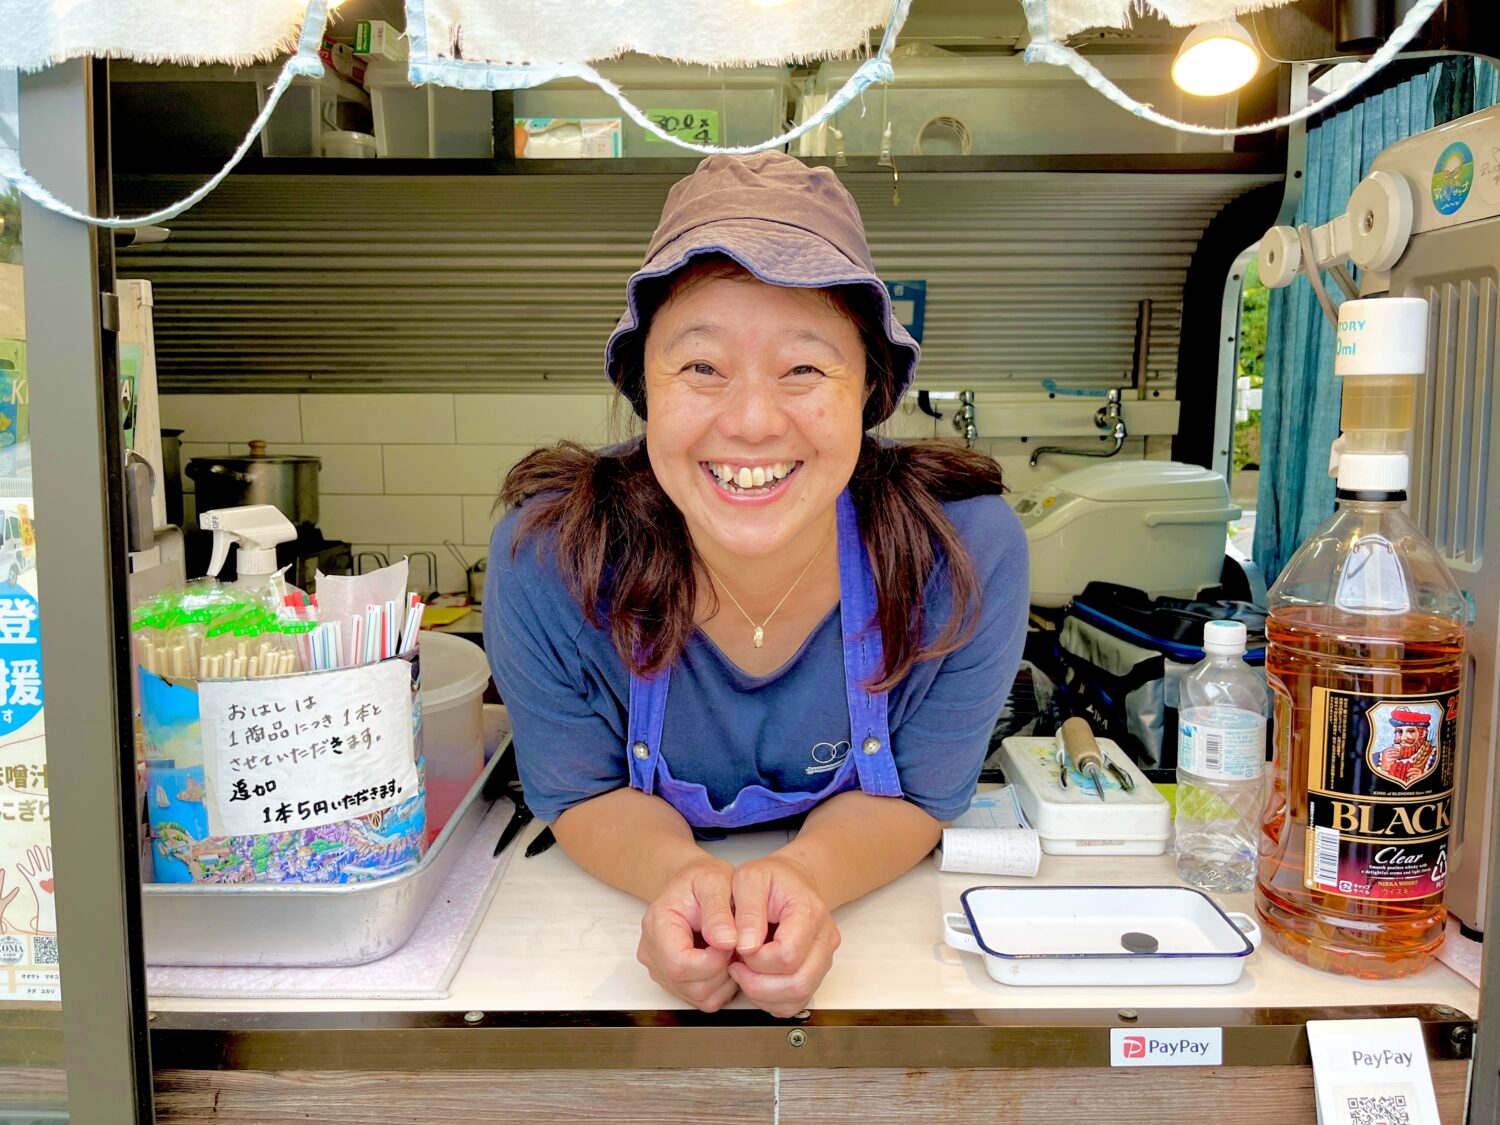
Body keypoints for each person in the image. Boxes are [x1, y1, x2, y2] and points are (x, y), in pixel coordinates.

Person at [484, 152, 1028, 1017]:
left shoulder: (958, 555)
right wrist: (683, 878)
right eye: (701, 367)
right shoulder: (550, 557)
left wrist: (803, 875)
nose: (749, 421)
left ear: (869, 391)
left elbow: (924, 793)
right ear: (644, 390)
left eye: (805, 368)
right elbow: (580, 789)